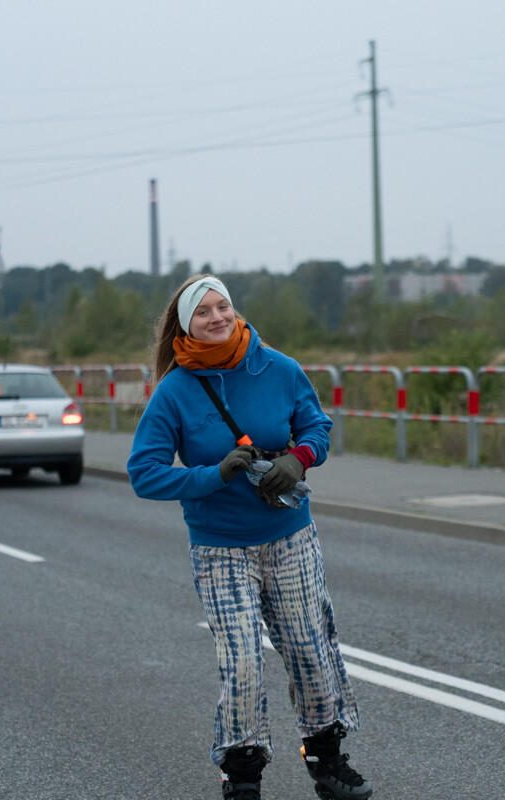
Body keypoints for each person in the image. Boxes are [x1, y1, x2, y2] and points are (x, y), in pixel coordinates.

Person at [126, 275, 372, 800]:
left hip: (288, 537)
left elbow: (317, 427)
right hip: (219, 546)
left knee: (309, 648)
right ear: (185, 325)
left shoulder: (277, 368)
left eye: (224, 306)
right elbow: (144, 473)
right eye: (203, 312)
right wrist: (213, 475)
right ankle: (241, 777)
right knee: (241, 660)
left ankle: (326, 760)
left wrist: (297, 458)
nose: (217, 317)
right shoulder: (175, 390)